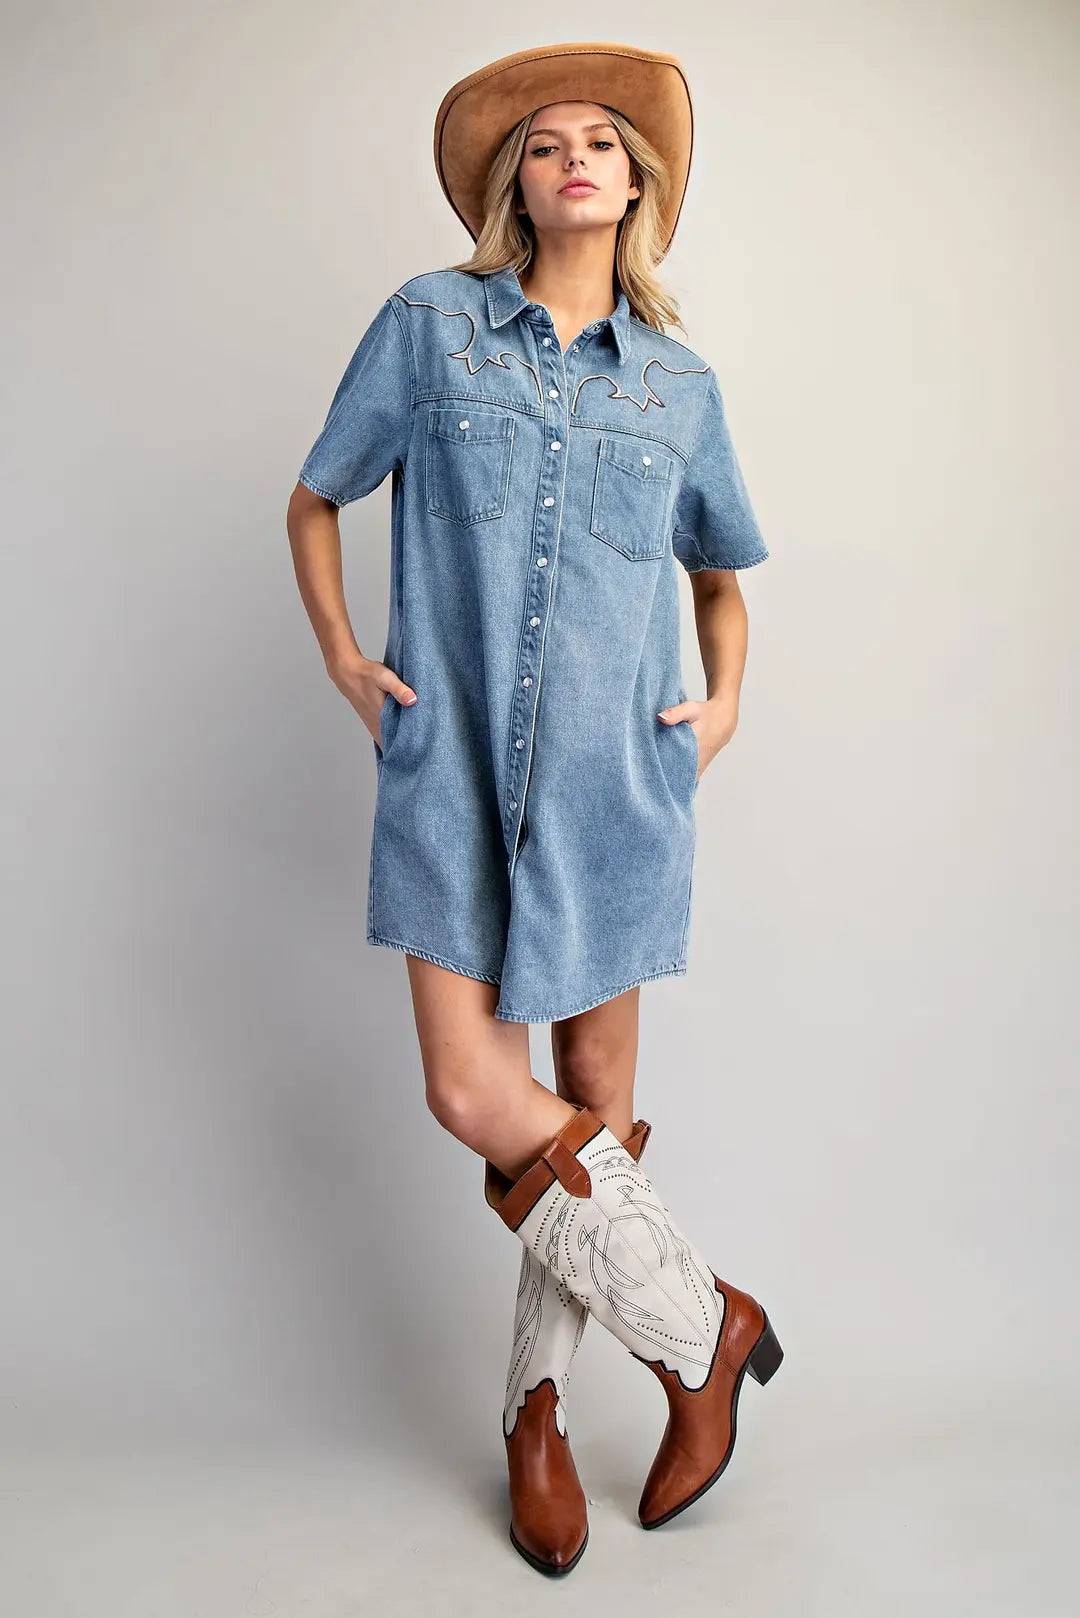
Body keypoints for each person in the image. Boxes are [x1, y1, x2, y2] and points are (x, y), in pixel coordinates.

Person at [285, 40, 782, 1578]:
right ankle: (704, 1332)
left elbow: (724, 581)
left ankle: (537, 1422)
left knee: (594, 1126)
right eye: (548, 142)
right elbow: (318, 494)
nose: (575, 156)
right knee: (477, 1096)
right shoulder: (429, 328)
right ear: (518, 182)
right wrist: (351, 663)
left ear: (637, 186)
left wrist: (727, 694)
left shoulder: (680, 386)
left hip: (617, 794)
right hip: (448, 784)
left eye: (603, 142)